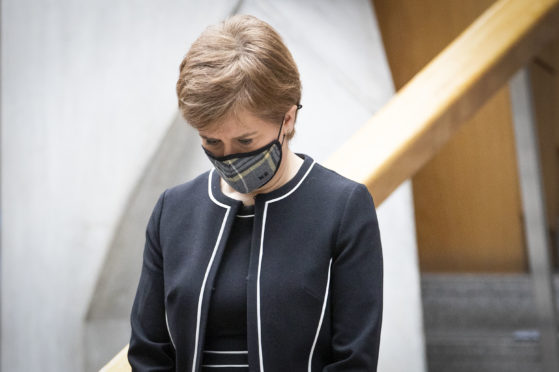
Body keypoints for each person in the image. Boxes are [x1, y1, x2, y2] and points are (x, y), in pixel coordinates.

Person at [128, 14, 383, 372]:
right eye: (211, 141)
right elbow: (148, 352)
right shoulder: (173, 210)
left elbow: (354, 360)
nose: (229, 157)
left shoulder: (342, 208)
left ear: (288, 119)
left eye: (245, 141)